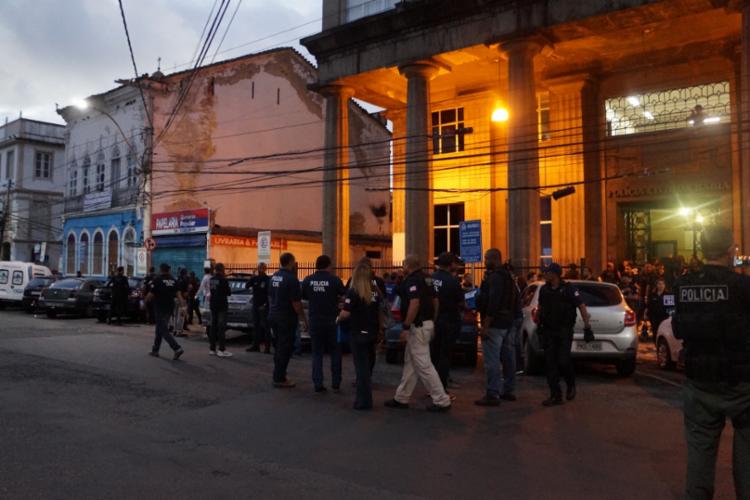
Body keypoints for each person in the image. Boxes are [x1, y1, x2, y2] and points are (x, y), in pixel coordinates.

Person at [672, 226, 750, 499]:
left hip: (700, 384)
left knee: (699, 460)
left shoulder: (683, 286)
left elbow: (679, 328)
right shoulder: (743, 286)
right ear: (730, 250)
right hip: (742, 385)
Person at [384, 255, 451, 412]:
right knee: (411, 363)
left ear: (407, 265)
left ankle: (441, 400)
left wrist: (406, 327)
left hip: (417, 326)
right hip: (426, 324)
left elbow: (414, 303)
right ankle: (401, 397)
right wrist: (431, 320)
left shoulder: (413, 280)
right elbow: (435, 301)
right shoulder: (428, 278)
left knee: (423, 364)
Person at [536, 263, 592, 406]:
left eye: (547, 272)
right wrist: (539, 325)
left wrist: (587, 327)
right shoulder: (544, 290)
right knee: (550, 364)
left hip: (564, 331)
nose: (545, 274)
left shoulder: (569, 289)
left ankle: (571, 384)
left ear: (554, 274)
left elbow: (581, 306)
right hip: (549, 331)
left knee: (563, 360)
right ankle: (555, 395)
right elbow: (540, 308)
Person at [475, 249, 519, 406]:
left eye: (486, 258)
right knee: (508, 358)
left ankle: (492, 393)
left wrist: (485, 324)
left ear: (493, 259)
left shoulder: (495, 278)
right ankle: (509, 390)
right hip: (508, 322)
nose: (485, 262)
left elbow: (492, 302)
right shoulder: (509, 277)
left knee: (492, 360)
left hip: (495, 324)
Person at [337, 263, 382, 410]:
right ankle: (365, 399)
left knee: (361, 368)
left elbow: (346, 313)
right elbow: (380, 312)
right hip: (372, 332)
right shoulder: (375, 291)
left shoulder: (354, 292)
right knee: (366, 367)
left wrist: (338, 318)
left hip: (358, 332)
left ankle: (363, 401)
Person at [302, 255, 346, 393]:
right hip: (332, 321)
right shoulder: (335, 280)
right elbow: (344, 296)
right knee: (335, 352)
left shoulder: (308, 280)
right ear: (328, 265)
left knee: (317, 353)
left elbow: (304, 296)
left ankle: (318, 383)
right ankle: (336, 382)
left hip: (315, 320)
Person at [268, 253, 308, 388]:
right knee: (285, 348)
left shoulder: (274, 276)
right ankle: (279, 378)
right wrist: (304, 320)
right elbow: (296, 303)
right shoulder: (291, 279)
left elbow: (271, 296)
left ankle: (279, 374)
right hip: (286, 318)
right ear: (291, 262)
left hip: (274, 315)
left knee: (279, 346)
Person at [430, 252, 464, 394]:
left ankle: (433, 387)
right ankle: (441, 388)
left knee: (434, 355)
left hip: (434, 321)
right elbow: (461, 301)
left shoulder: (431, 278)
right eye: (455, 263)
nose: (456, 266)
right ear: (450, 265)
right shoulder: (452, 281)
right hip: (449, 321)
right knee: (444, 356)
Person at [145, 263, 184, 360]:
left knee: (163, 330)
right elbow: (179, 295)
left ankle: (177, 348)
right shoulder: (173, 280)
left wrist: (144, 302)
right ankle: (155, 350)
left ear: (161, 269)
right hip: (169, 308)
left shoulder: (158, 279)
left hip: (160, 307)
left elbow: (151, 294)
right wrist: (184, 307)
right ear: (169, 270)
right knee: (160, 328)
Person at [208, 263, 232, 357]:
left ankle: (212, 349)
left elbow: (212, 290)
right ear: (222, 269)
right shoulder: (223, 280)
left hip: (213, 304)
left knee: (213, 326)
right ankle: (221, 349)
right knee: (221, 327)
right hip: (222, 305)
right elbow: (228, 292)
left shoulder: (211, 279)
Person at [247, 263, 272, 353]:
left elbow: (269, 294)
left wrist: (266, 304)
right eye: (259, 268)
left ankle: (267, 347)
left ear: (265, 269)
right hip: (255, 305)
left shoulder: (268, 280)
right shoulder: (255, 278)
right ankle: (255, 346)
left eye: (262, 268)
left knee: (266, 327)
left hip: (264, 306)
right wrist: (252, 277)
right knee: (256, 326)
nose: (260, 269)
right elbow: (247, 285)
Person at [172, 268, 189, 337]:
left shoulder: (176, 279)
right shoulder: (185, 281)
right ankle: (179, 332)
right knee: (181, 316)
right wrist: (189, 291)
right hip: (182, 300)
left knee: (175, 315)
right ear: (185, 273)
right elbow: (185, 293)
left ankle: (175, 330)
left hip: (174, 299)